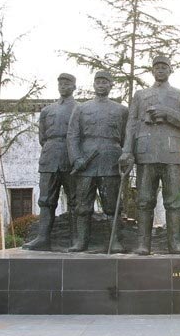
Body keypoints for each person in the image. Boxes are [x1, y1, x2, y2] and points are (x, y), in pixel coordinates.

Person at [119, 56, 180, 255]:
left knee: (174, 201)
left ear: (170, 70)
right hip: (146, 152)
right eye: (157, 67)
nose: (160, 70)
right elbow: (132, 124)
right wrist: (127, 150)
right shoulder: (140, 95)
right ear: (152, 71)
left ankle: (174, 244)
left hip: (173, 153)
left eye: (164, 67)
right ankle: (143, 244)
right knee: (144, 200)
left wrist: (168, 113)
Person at [66, 70, 128, 253]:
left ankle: (115, 241)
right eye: (98, 82)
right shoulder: (81, 109)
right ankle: (81, 242)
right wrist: (76, 158)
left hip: (111, 160)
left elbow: (127, 138)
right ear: (93, 85)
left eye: (105, 82)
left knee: (112, 205)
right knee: (83, 205)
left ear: (111, 85)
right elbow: (72, 136)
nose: (101, 85)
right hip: (86, 162)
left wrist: (125, 156)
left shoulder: (121, 110)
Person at [23, 73, 77, 251]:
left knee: (75, 199)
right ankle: (43, 238)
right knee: (45, 199)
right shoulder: (47, 111)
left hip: (71, 156)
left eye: (67, 84)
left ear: (74, 87)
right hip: (49, 156)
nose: (63, 86)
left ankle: (76, 239)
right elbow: (42, 137)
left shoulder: (80, 109)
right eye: (61, 84)